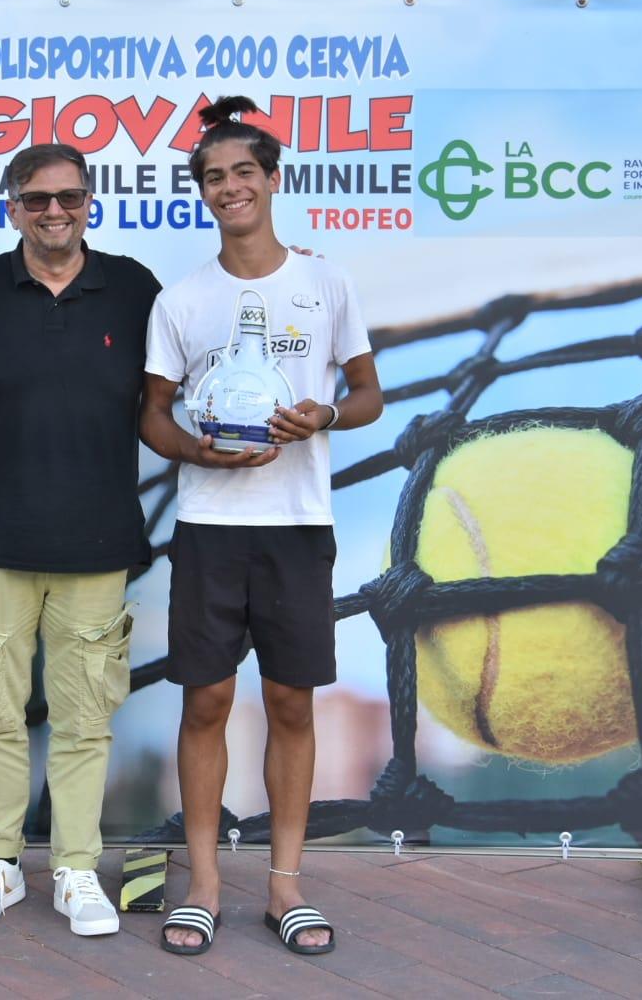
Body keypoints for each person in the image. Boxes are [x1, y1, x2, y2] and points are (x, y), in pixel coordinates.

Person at [140, 97, 384, 958]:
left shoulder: (327, 284)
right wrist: (197, 457)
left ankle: (285, 884)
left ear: (273, 180)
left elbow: (368, 394)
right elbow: (155, 417)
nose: (230, 187)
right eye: (214, 177)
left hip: (296, 525)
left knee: (290, 700)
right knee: (205, 700)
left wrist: (322, 417)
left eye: (244, 172)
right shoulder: (184, 299)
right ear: (202, 193)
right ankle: (205, 882)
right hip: (208, 526)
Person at [0, 143, 161, 937]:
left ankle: (73, 869)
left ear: (90, 201)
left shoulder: (134, 289)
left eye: (69, 197)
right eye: (37, 200)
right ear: (12, 207)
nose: (54, 211)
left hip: (99, 545)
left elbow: (181, 385)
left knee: (84, 719)